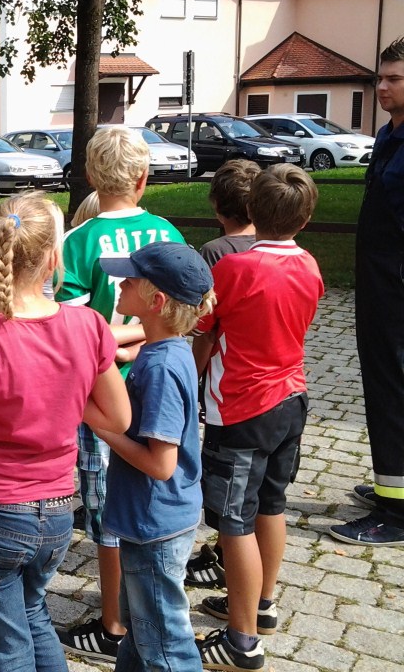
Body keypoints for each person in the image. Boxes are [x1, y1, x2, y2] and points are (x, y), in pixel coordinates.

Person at [0, 192, 131, 672]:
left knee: (8, 648)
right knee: (35, 615)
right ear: (55, 259)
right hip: (58, 514)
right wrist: (64, 399)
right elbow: (119, 419)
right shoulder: (89, 327)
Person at [56, 125, 185, 664]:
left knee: (106, 511)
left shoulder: (77, 241)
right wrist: (136, 336)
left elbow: (72, 329)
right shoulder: (167, 233)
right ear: (143, 178)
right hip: (157, 384)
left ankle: (113, 623)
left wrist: (111, 340)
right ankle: (142, 605)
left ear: (90, 175)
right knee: (150, 494)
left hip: (101, 395)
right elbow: (179, 314)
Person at [192, 165, 323, 671]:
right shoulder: (310, 265)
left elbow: (205, 330)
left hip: (242, 407)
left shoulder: (233, 268)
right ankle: (260, 603)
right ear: (305, 219)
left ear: (250, 209)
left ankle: (241, 640)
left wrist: (191, 380)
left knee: (234, 521)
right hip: (292, 398)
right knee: (272, 503)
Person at [94, 242, 216, 672]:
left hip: (155, 523)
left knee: (166, 647)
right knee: (142, 631)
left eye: (129, 280)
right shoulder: (167, 347)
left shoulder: (161, 367)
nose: (120, 284)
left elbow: (161, 465)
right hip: (152, 519)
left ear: (157, 301)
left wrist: (101, 426)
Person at [329, 37, 404, 547]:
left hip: (398, 290)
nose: (382, 86)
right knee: (382, 386)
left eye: (394, 79)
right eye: (381, 77)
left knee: (395, 389)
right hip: (377, 286)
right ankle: (391, 486)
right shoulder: (387, 135)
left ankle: (396, 513)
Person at [186, 158, 262, 590]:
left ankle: (224, 561)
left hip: (226, 384)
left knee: (226, 488)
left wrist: (192, 377)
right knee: (257, 489)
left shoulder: (216, 252)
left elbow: (205, 330)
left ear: (216, 204)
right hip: (272, 384)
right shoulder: (274, 245)